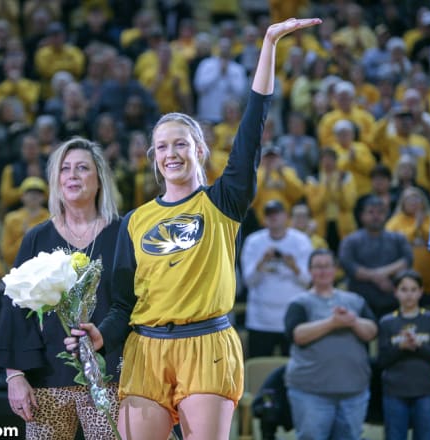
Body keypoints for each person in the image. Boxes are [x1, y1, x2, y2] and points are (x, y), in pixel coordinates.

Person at [66, 18, 323, 440]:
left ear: (200, 150)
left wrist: (269, 44)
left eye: (182, 143)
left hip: (207, 346)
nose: (172, 153)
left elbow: (251, 131)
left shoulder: (224, 200)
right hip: (144, 350)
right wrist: (100, 335)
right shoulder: (133, 222)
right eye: (162, 146)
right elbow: (122, 305)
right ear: (154, 158)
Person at [0, 137, 123, 440]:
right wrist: (15, 375)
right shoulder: (36, 238)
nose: (72, 175)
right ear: (56, 179)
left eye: (82, 168)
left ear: (99, 178)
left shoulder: (123, 233)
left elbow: (131, 305)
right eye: (65, 169)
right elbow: (15, 309)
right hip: (46, 380)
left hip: (110, 380)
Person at [284, 248, 377, 440]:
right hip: (311, 393)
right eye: (318, 267)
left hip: (354, 392)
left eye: (327, 266)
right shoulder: (300, 303)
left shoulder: (355, 300)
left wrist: (352, 321)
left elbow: (372, 331)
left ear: (335, 270)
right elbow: (298, 335)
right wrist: (332, 323)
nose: (323, 271)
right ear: (310, 271)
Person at [241, 199, 313, 358]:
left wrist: (293, 266)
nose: (273, 217)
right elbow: (248, 281)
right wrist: (262, 261)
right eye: (269, 214)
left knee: (294, 372)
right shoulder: (253, 241)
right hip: (260, 320)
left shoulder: (301, 241)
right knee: (259, 369)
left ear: (286, 216)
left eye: (277, 213)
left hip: (292, 320)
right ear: (264, 218)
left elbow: (307, 281)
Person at [378, 270, 430, 440]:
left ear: (421, 292)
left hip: (425, 392)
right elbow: (381, 360)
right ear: (396, 292)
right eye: (404, 289)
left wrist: (418, 346)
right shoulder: (387, 322)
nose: (409, 295)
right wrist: (401, 347)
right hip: (394, 393)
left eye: (413, 289)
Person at [339, 195, 413, 319]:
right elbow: (348, 265)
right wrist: (376, 277)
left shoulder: (398, 238)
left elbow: (407, 259)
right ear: (361, 216)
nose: (376, 216)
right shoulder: (350, 240)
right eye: (371, 212)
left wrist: (381, 273)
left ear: (386, 215)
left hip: (393, 301)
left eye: (380, 212)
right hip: (360, 303)